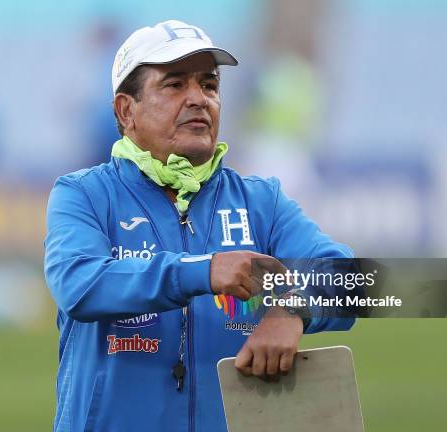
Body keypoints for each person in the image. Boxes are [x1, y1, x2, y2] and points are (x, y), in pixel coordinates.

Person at [44, 20, 355, 432]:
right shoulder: (83, 194)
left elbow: (352, 281)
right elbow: (80, 284)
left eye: (209, 85)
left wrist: (292, 311)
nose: (198, 99)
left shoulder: (261, 202)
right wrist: (202, 270)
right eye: (174, 85)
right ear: (126, 110)